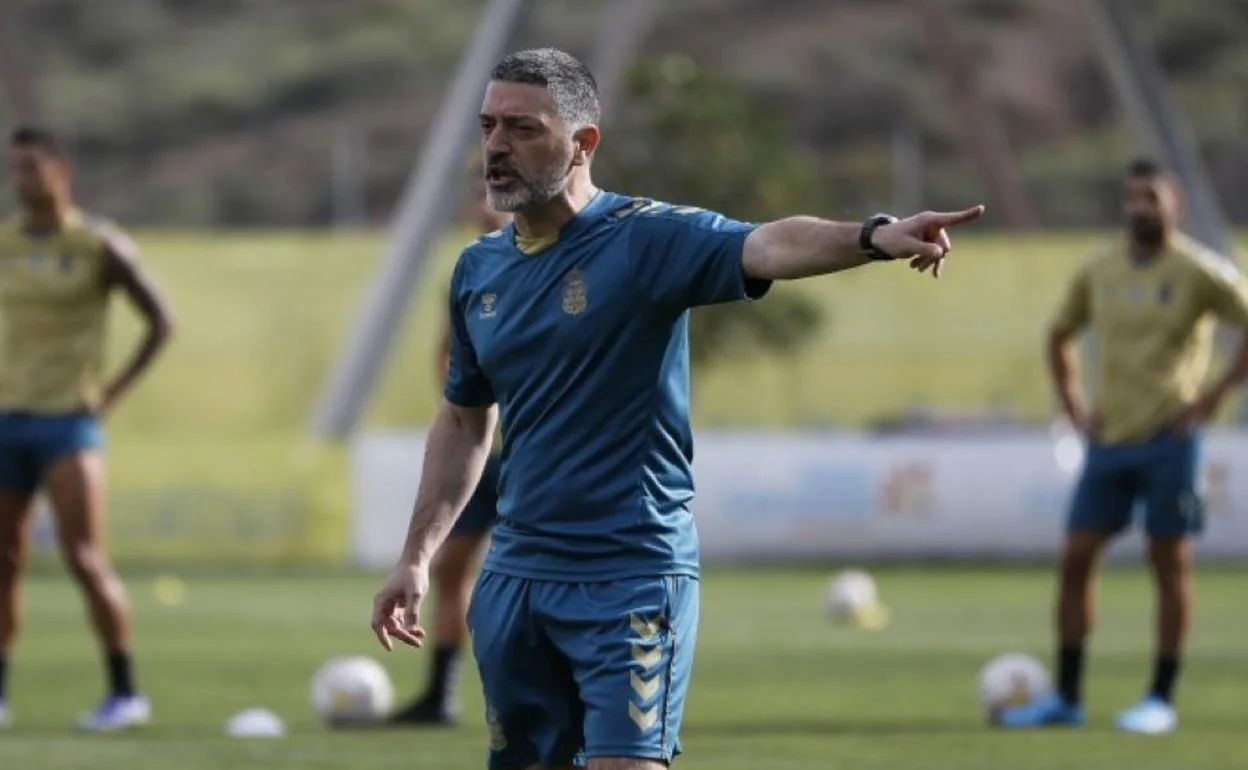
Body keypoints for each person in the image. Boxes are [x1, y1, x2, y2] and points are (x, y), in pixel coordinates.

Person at [369, 47, 983, 769]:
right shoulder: (478, 270)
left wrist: (873, 236)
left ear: (583, 144)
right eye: (488, 126)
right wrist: (417, 556)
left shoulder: (644, 238)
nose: (497, 146)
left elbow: (768, 244)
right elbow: (467, 421)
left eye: (522, 128)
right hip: (516, 580)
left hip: (630, 575)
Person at [998, 158, 1248, 735]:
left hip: (1170, 440)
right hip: (1109, 441)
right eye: (1132, 198)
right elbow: (1059, 335)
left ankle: (1159, 698)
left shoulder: (1199, 272)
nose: (1140, 208)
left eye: (1151, 199)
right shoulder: (1100, 270)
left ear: (1174, 206)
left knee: (1169, 568)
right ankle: (1067, 697)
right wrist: (1075, 407)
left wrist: (1212, 400)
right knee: (1076, 562)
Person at [0, 126, 174, 732]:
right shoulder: (7, 243)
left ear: (60, 170)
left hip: (68, 425)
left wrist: (112, 394)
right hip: (8, 420)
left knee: (84, 557)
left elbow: (160, 322)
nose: (21, 181)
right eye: (13, 170)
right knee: (5, 560)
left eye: (31, 169)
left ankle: (124, 693)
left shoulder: (99, 245)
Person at [388, 183, 511, 727]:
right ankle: (441, 693)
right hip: (480, 450)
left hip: (530, 452)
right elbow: (450, 358)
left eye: (493, 197)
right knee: (450, 568)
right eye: (477, 197)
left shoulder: (552, 267)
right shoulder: (470, 271)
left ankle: (529, 692)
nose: (484, 208)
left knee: (528, 575)